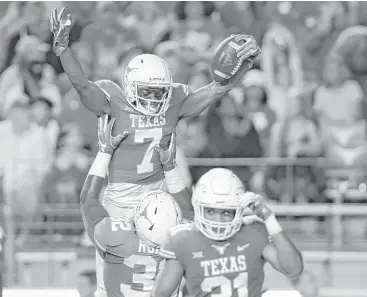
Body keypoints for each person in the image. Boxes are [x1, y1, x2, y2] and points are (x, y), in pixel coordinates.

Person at [50, 7, 261, 217]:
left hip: (159, 196)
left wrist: (244, 63)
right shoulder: (113, 101)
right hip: (119, 198)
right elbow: (82, 85)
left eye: (160, 91)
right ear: (130, 86)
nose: (154, 98)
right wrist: (64, 50)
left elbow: (217, 88)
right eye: (148, 91)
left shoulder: (172, 102)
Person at [80, 114, 193, 297]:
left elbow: (88, 200)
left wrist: (105, 151)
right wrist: (170, 168)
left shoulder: (116, 237)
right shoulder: (180, 241)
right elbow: (188, 209)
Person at [153, 168, 304, 297]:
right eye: (210, 211)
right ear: (198, 206)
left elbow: (293, 269)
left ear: (239, 210)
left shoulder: (254, 231)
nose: (218, 220)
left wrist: (269, 219)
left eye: (226, 212)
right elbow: (161, 294)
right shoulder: (182, 239)